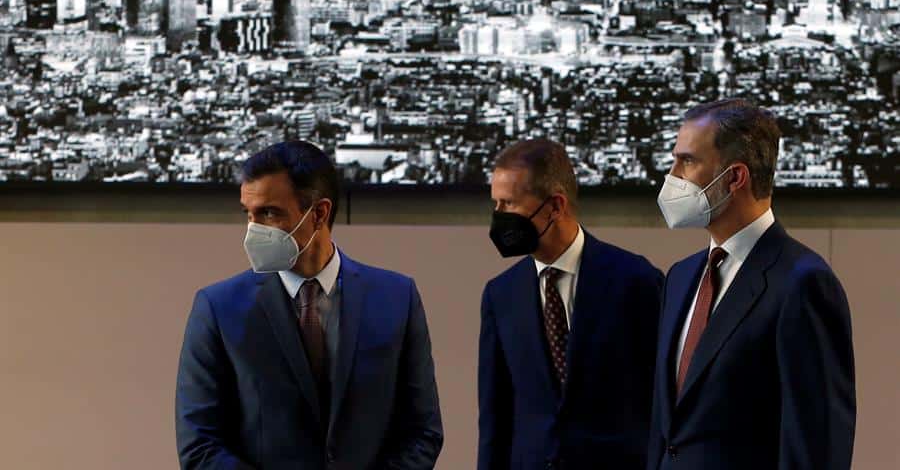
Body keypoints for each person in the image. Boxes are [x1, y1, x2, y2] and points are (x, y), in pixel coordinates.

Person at [175, 141, 443, 470]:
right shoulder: (218, 308)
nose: (253, 229)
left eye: (269, 213)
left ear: (318, 213)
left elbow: (422, 432)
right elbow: (199, 444)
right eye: (249, 214)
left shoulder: (396, 298)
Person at [649, 99, 855, 470]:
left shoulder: (802, 283)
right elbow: (666, 430)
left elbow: (815, 441)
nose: (672, 174)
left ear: (735, 177)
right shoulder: (680, 278)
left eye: (688, 161)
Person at [479, 138, 664, 470]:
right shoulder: (500, 294)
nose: (498, 217)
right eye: (496, 204)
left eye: (509, 204)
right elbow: (496, 414)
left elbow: (660, 398)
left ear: (556, 206)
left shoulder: (636, 280)